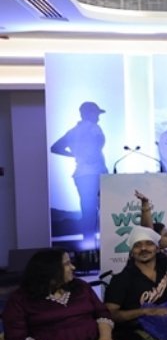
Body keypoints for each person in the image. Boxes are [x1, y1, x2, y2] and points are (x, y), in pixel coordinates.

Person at [2, 248, 136, 340]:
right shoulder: (21, 299)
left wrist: (105, 336)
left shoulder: (81, 287)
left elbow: (102, 312)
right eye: (67, 264)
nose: (73, 267)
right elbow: (16, 337)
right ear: (50, 270)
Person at [105, 213, 167, 336]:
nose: (143, 248)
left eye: (149, 243)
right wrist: (145, 311)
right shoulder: (121, 279)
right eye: (137, 245)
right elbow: (110, 314)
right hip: (138, 333)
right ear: (132, 252)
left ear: (157, 248)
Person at [49, 101, 107, 241]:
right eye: (96, 114)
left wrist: (74, 154)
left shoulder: (72, 132)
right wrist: (92, 154)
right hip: (96, 173)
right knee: (106, 208)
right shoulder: (94, 128)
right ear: (89, 114)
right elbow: (99, 142)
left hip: (81, 175)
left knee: (87, 211)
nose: (98, 117)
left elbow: (55, 147)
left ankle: (88, 243)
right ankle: (105, 242)